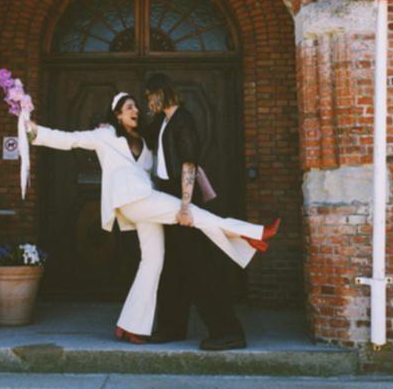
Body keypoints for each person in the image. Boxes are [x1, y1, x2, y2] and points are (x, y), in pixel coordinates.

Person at [26, 90, 275, 344]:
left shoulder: (146, 143)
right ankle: (252, 233)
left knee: (153, 261)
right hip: (129, 200)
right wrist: (36, 132)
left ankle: (130, 325)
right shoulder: (105, 136)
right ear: (117, 115)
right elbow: (71, 140)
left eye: (136, 107)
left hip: (148, 200)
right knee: (189, 211)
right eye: (129, 107)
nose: (135, 111)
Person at [145, 72, 279, 350]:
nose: (148, 101)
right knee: (174, 268)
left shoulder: (183, 120)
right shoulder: (163, 121)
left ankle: (228, 331)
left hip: (180, 198)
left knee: (200, 268)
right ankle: (171, 327)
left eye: (150, 95)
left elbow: (188, 164)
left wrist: (185, 205)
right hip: (165, 196)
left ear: (161, 93)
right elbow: (146, 139)